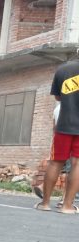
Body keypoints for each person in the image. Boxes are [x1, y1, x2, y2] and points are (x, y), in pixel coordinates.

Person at [36, 60, 79, 213]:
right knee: (77, 164)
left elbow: (58, 98)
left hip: (64, 124)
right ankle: (67, 206)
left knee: (55, 163)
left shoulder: (63, 69)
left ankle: (45, 204)